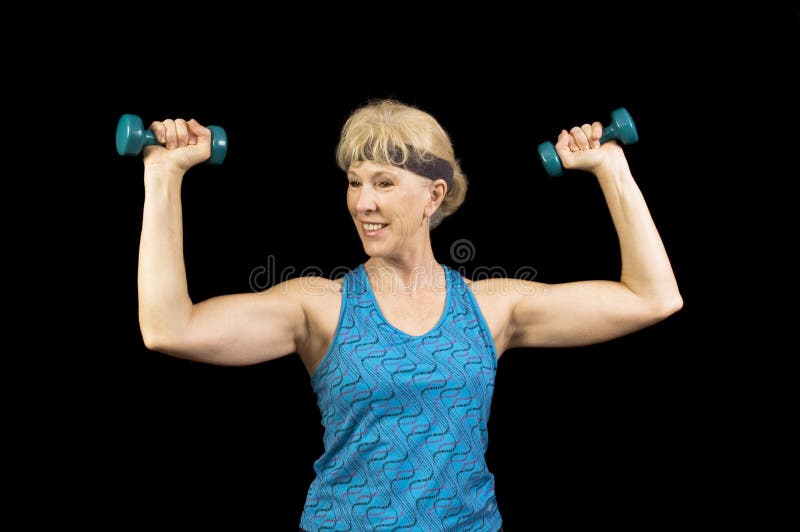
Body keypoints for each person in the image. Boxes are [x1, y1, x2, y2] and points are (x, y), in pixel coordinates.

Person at [137, 98, 682, 531]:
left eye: (384, 183)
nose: (362, 203)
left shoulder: (492, 307)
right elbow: (170, 328)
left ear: (433, 195)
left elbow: (652, 298)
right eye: (354, 182)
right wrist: (164, 174)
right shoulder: (317, 306)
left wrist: (611, 167)